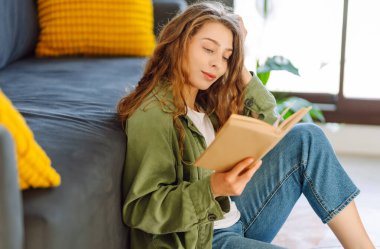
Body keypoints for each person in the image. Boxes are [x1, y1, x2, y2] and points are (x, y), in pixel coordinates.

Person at [117, 2, 375, 248]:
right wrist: (214, 187)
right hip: (202, 240)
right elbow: (141, 209)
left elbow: (269, 122)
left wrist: (239, 64)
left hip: (234, 218)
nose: (217, 64)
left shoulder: (205, 102)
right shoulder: (154, 114)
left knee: (307, 137)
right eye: (208, 49)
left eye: (226, 57)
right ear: (178, 44)